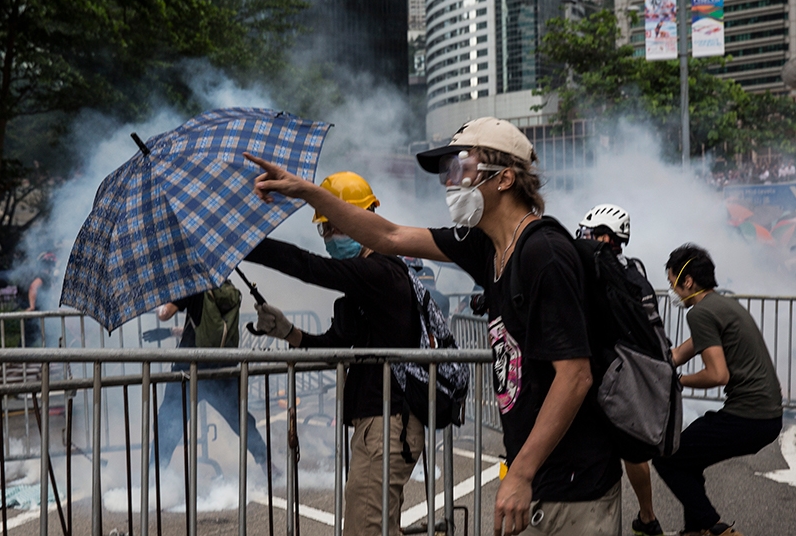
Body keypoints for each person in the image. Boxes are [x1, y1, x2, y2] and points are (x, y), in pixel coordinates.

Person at [246, 116, 622, 536]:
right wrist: (305, 191)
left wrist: (521, 473)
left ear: (505, 179)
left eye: (461, 169)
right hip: (536, 477)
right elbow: (388, 234)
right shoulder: (484, 247)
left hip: (574, 483)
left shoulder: (544, 253)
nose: (449, 182)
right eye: (446, 172)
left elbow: (574, 377)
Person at [245, 171, 425, 536]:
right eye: (324, 230)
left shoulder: (380, 272)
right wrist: (287, 331)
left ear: (362, 218)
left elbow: (309, 266)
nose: (328, 238)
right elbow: (336, 346)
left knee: (363, 529)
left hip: (388, 423)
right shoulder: (365, 288)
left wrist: (246, 244)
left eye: (334, 227)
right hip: (375, 422)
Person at [654, 244, 782, 536]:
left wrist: (678, 381)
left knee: (667, 459)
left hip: (749, 417)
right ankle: (695, 529)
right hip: (765, 416)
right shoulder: (722, 304)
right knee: (688, 458)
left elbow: (718, 374)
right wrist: (656, 364)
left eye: (673, 283)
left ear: (688, 281)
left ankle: (714, 528)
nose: (674, 291)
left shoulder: (699, 313)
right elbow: (678, 354)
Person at [576, 203, 664, 536]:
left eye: (588, 233)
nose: (583, 238)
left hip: (607, 372)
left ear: (606, 236)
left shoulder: (600, 270)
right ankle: (647, 516)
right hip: (634, 372)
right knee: (631, 449)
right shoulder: (634, 271)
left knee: (603, 448)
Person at [150, 281, 272, 474]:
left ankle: (155, 477)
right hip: (222, 363)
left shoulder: (191, 284)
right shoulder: (225, 287)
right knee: (238, 417)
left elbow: (165, 314)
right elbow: (209, 327)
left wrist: (157, 303)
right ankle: (266, 463)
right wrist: (173, 332)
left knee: (168, 422)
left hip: (191, 365)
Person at [24, 252, 56, 346]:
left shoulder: (44, 276)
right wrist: (32, 306)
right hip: (38, 314)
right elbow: (33, 287)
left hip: (40, 315)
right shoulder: (43, 276)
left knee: (27, 344)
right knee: (26, 344)